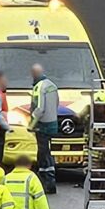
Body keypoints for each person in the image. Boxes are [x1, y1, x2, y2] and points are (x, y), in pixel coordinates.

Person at [29, 64, 62, 195]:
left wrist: (31, 124)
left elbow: (39, 108)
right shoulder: (52, 85)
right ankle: (49, 181)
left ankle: (47, 183)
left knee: (43, 155)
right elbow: (57, 103)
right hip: (53, 123)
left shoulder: (39, 87)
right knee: (47, 153)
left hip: (42, 125)